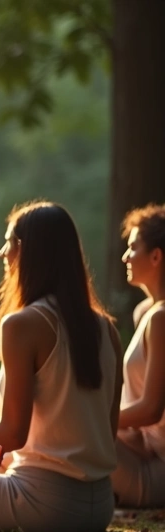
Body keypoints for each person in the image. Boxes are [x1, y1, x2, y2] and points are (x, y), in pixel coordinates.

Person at [0, 202, 120, 532]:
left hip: (43, 503)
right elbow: (105, 432)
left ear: (25, 250)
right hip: (100, 505)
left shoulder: (22, 324)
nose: (2, 253)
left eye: (8, 242)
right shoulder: (107, 329)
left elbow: (13, 433)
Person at [109, 205, 165, 507]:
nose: (125, 257)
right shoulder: (145, 312)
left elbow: (151, 411)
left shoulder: (161, 318)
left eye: (133, 247)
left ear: (156, 256)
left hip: (157, 464)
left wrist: (94, 418)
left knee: (67, 432)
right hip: (138, 447)